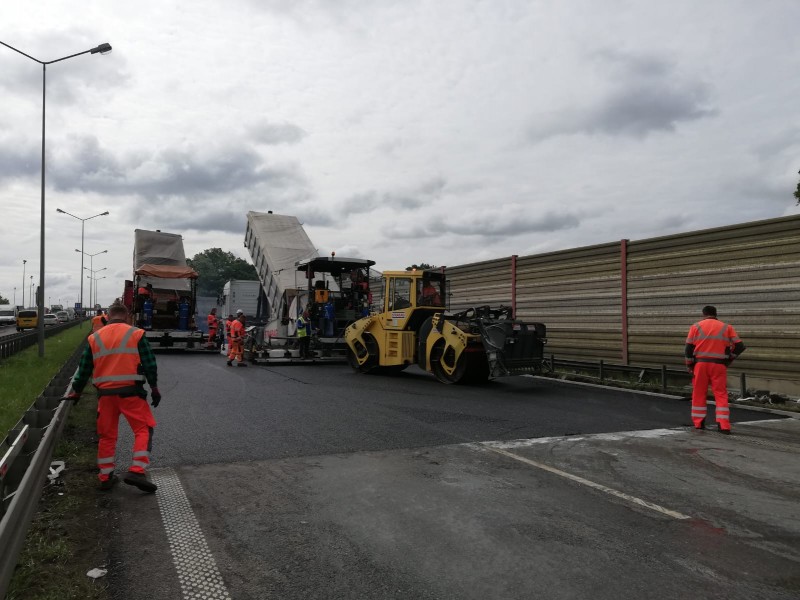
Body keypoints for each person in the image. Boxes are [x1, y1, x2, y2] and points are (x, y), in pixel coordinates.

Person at [64, 302, 161, 492]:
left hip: (105, 396)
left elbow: (84, 369)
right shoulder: (136, 334)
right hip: (131, 393)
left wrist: (77, 391)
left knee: (107, 436)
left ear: (107, 317)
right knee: (143, 430)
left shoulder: (95, 338)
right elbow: (150, 364)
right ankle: (137, 470)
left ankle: (105, 476)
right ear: (127, 317)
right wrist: (154, 387)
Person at [685, 305, 746, 434]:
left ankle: (699, 423)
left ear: (703, 314)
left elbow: (688, 348)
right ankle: (723, 425)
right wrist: (729, 359)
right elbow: (740, 346)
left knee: (699, 393)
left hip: (700, 365)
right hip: (719, 365)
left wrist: (689, 364)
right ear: (715, 314)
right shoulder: (727, 327)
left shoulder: (695, 327)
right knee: (720, 394)